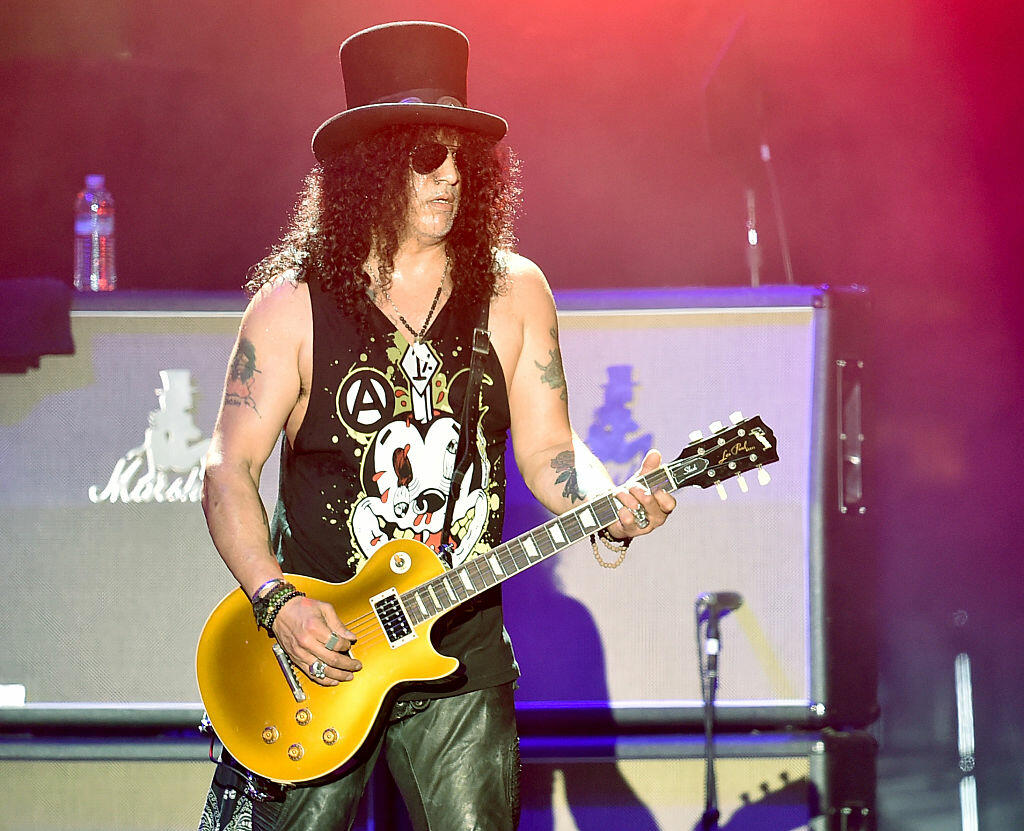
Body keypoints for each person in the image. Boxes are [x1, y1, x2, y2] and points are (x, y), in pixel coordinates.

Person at [197, 21, 675, 831]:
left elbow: (549, 446)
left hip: (462, 641)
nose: (452, 176)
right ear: (371, 166)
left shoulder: (515, 292)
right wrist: (276, 601)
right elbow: (227, 471)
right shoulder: (291, 307)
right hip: (318, 652)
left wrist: (608, 502)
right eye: (427, 156)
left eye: (465, 156)